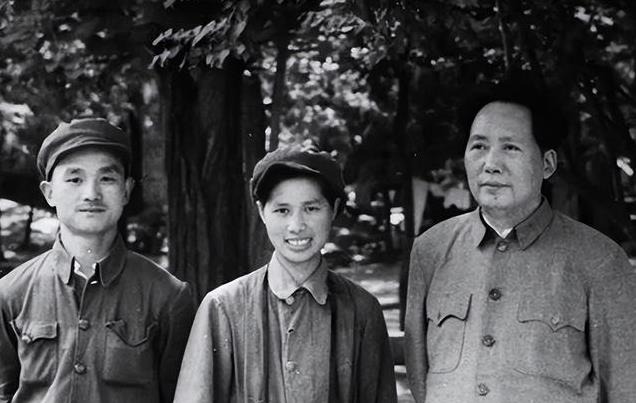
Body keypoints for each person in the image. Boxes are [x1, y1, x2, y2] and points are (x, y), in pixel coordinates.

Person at [404, 74, 636, 402]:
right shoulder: (430, 249)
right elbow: (419, 374)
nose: (491, 164)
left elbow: (625, 388)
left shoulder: (599, 259)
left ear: (547, 164)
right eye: (479, 146)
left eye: (510, 147)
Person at [174, 146, 397, 403]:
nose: (296, 226)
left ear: (334, 209)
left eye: (311, 208)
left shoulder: (362, 310)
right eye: (282, 210)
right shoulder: (223, 307)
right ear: (262, 211)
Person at [0, 118, 195, 403]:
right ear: (49, 192)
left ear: (126, 190)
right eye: (75, 179)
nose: (91, 194)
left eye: (107, 178)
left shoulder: (168, 296)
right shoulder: (10, 293)